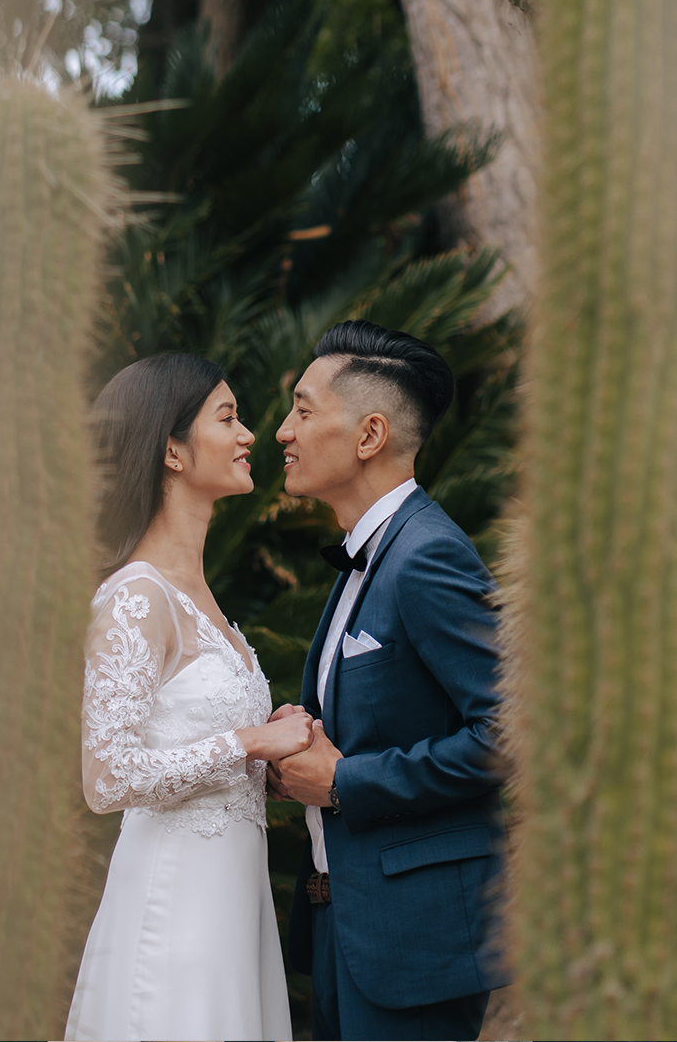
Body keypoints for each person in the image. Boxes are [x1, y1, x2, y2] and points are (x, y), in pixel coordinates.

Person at [64, 353, 314, 1042]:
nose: (250, 436)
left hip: (232, 910)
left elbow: (190, 754)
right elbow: (106, 776)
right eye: (228, 417)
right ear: (172, 450)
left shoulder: (203, 601)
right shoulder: (136, 597)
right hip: (175, 917)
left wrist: (267, 759)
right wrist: (247, 741)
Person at [272, 320, 508, 1042]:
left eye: (304, 409)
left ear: (369, 434)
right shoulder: (369, 558)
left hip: (415, 945)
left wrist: (346, 781)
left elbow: (509, 731)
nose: (283, 430)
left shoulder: (427, 556)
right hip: (347, 928)